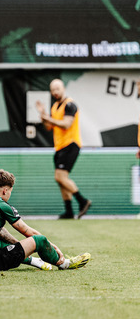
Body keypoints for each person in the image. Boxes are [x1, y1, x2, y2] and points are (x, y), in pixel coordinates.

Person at [0, 169, 91, 272]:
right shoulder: (1, 205)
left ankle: (34, 261)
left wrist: (18, 247)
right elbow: (30, 233)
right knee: (39, 240)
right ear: (5, 190)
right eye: (10, 191)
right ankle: (64, 263)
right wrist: (54, 248)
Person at [36, 78, 91, 219]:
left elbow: (66, 124)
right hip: (59, 147)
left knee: (59, 177)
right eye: (52, 90)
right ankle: (69, 211)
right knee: (60, 179)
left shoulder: (70, 105)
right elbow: (49, 127)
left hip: (70, 145)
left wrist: (47, 118)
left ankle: (83, 201)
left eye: (57, 89)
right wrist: (43, 115)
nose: (55, 92)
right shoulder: (55, 107)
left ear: (63, 89)